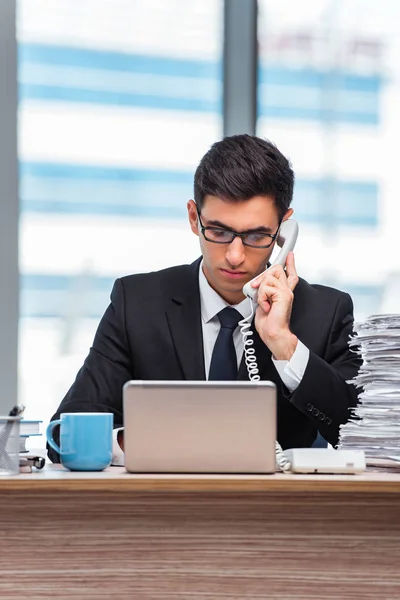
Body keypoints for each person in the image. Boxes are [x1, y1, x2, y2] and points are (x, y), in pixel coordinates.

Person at [48, 134, 360, 464]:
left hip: (277, 512)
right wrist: (149, 444)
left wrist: (284, 344)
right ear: (194, 218)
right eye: (220, 232)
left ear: (284, 229)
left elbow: (359, 432)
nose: (235, 256)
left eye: (256, 235)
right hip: (162, 509)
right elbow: (62, 433)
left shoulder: (326, 312)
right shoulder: (136, 304)